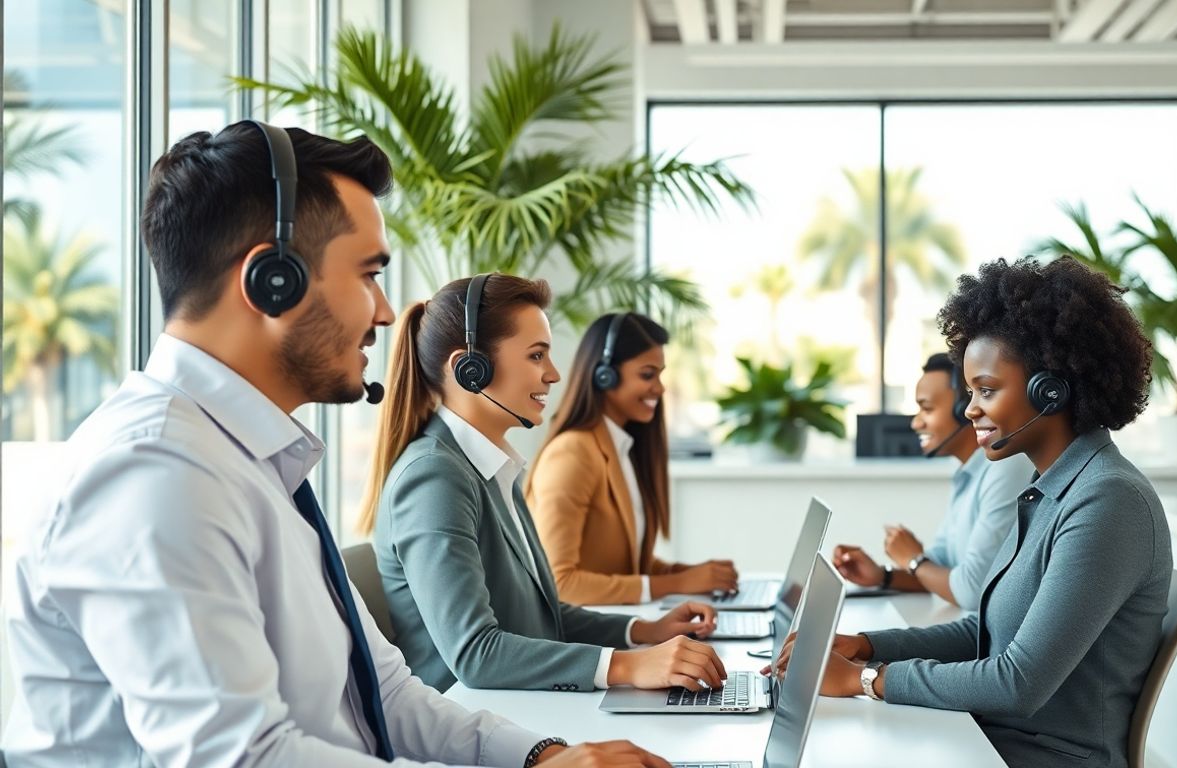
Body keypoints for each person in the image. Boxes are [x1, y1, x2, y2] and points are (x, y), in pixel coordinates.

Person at [2, 122, 668, 766]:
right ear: (273, 280)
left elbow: (388, 693)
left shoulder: (257, 463)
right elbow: (247, 759)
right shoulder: (156, 474)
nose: (386, 312)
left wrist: (540, 755)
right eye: (368, 274)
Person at [771, 256, 1173, 768]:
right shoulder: (1050, 489)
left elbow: (1017, 682)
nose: (969, 410)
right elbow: (982, 634)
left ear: (1050, 391)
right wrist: (865, 647)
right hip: (990, 742)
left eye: (987, 390)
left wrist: (865, 681)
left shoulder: (1107, 501)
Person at [358, 274, 726, 696]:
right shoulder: (434, 477)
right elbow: (477, 654)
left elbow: (543, 619)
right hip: (469, 718)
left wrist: (643, 631)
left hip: (520, 703)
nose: (553, 374)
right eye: (536, 356)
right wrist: (628, 665)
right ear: (470, 369)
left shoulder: (491, 467)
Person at [524, 312, 739, 605]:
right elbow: (559, 584)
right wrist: (678, 583)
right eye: (647, 375)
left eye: (660, 375)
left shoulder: (622, 449)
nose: (660, 388)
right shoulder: (572, 453)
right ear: (605, 376)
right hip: (582, 631)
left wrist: (693, 575)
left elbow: (623, 566)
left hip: (616, 620)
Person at [832, 353, 1033, 609]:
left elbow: (972, 591)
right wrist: (883, 576)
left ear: (962, 410)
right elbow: (943, 566)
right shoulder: (968, 474)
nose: (916, 423)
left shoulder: (1005, 469)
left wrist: (914, 560)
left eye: (926, 409)